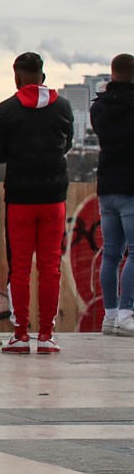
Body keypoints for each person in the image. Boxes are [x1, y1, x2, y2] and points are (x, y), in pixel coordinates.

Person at [0, 53, 74, 354]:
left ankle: (21, 335)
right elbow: (67, 144)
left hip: (20, 198)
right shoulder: (63, 107)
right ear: (43, 76)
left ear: (17, 77)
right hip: (54, 197)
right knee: (50, 267)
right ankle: (47, 335)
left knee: (20, 269)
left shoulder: (6, 109)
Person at [93, 54, 134, 336]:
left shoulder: (99, 107)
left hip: (106, 186)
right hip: (131, 187)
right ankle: (126, 313)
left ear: (112, 73)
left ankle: (109, 316)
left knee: (110, 255)